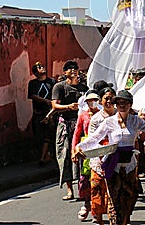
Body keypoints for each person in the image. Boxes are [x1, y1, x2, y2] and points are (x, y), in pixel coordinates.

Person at [74, 90, 145, 225]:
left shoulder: (135, 120)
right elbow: (95, 137)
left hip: (129, 165)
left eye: (124, 103)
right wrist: (80, 146)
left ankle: (125, 221)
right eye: (119, 103)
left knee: (129, 197)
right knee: (114, 199)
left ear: (130, 105)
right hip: (113, 164)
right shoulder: (109, 122)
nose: (121, 105)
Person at [52, 60, 88, 200]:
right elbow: (54, 105)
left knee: (81, 155)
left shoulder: (83, 88)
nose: (73, 70)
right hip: (65, 125)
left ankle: (82, 188)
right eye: (69, 68)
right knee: (65, 155)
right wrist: (69, 107)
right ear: (65, 72)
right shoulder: (59, 87)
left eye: (75, 68)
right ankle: (69, 189)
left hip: (81, 124)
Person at [87, 86, 117, 225]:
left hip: (117, 159)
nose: (109, 101)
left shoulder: (121, 115)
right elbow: (92, 139)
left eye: (111, 98)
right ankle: (99, 219)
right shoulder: (96, 119)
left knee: (116, 190)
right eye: (106, 98)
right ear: (101, 101)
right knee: (97, 188)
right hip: (99, 159)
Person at [71, 89, 100, 222]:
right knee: (84, 179)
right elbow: (77, 133)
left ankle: (96, 208)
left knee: (96, 180)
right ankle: (86, 203)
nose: (92, 103)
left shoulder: (102, 115)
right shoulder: (83, 115)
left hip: (99, 149)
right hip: (85, 150)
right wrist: (74, 150)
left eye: (94, 100)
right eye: (89, 101)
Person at [28, 61, 56, 165]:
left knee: (48, 135)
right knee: (38, 135)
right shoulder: (33, 83)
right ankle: (45, 156)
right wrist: (45, 101)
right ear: (35, 72)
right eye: (39, 67)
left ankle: (43, 157)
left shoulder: (52, 81)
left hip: (50, 112)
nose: (42, 68)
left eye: (42, 66)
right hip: (38, 112)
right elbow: (32, 95)